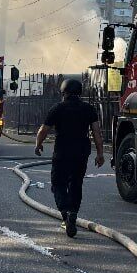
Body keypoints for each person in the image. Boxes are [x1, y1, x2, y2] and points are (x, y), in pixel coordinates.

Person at [34, 78, 105, 237]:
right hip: (81, 152)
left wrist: (38, 144)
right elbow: (97, 133)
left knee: (58, 183)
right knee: (76, 183)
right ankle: (73, 212)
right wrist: (100, 154)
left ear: (63, 92)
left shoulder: (57, 108)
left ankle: (65, 213)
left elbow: (43, 130)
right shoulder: (89, 109)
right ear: (80, 92)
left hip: (62, 152)